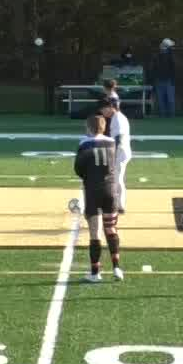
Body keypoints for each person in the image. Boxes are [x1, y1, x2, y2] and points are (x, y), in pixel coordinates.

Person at [73, 113, 124, 283]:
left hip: (93, 191)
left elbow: (78, 169)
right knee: (111, 229)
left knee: (95, 233)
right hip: (110, 190)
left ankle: (95, 273)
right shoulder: (111, 142)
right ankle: (117, 268)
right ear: (104, 127)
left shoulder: (84, 143)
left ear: (88, 128)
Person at [100, 82, 132, 213]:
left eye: (103, 109)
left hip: (120, 152)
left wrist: (111, 154)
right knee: (117, 178)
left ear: (110, 107)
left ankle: (119, 205)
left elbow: (117, 139)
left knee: (117, 178)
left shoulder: (117, 118)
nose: (102, 112)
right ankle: (117, 203)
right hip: (121, 151)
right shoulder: (116, 117)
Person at [152, 39, 178, 118]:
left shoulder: (171, 56)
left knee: (169, 99)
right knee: (161, 100)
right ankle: (163, 115)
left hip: (168, 80)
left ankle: (171, 115)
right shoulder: (157, 56)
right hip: (160, 80)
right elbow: (154, 68)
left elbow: (174, 67)